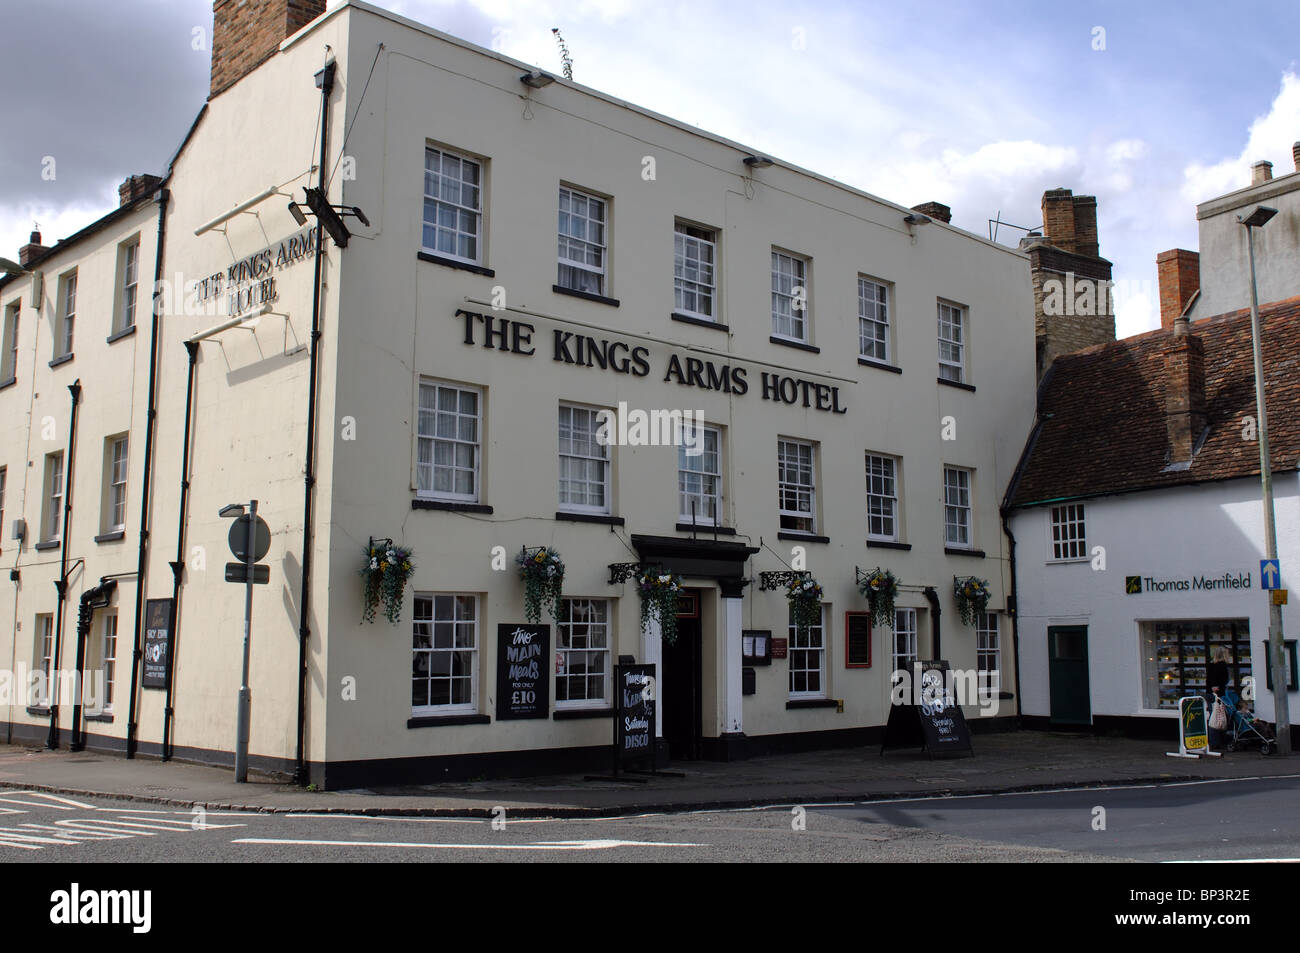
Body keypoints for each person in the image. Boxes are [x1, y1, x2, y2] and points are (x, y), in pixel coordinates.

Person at [1206, 646, 1231, 750]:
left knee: (1214, 716)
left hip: (1210, 694)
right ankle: (1216, 741)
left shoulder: (1211, 665)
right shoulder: (1222, 666)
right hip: (1218, 694)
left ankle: (1215, 741)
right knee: (1219, 716)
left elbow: (1209, 680)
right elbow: (1222, 680)